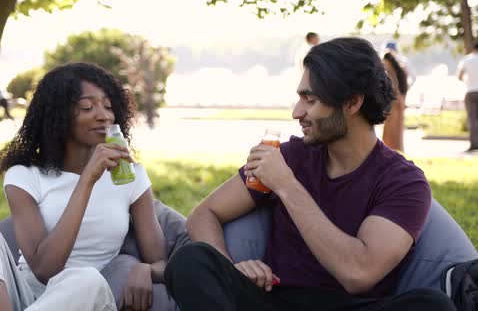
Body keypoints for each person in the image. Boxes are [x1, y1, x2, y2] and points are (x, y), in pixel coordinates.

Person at [165, 38, 456, 311]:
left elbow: (358, 273)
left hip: (352, 305)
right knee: (189, 261)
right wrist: (231, 268)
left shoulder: (403, 182)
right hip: (277, 301)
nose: (296, 112)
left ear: (352, 103)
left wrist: (287, 186)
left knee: (432, 305)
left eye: (310, 100)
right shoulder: (290, 156)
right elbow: (204, 214)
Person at [0, 63, 167, 311]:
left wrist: (144, 269)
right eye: (87, 107)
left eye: (108, 106)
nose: (104, 115)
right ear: (58, 114)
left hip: (85, 297)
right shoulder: (25, 175)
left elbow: (162, 263)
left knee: (86, 278)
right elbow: (44, 269)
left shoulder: (132, 177)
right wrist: (87, 179)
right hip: (19, 295)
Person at [382, 51, 409, 152]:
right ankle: (396, 148)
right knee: (397, 129)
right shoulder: (400, 70)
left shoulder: (389, 70)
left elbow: (392, 87)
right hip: (400, 101)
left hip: (394, 102)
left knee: (391, 129)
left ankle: (391, 149)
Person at [457, 41, 478, 151]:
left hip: (470, 91)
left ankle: (474, 144)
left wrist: (468, 80)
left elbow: (459, 76)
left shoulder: (466, 60)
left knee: (472, 119)